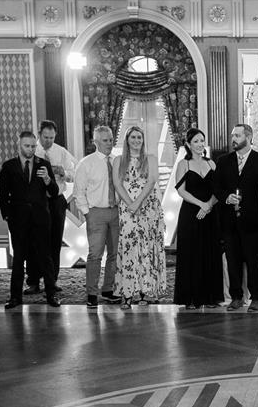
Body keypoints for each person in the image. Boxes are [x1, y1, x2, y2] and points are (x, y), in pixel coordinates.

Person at [0, 130, 69, 308]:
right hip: (18, 219)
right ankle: (15, 297)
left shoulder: (43, 164)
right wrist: (6, 215)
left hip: (41, 218)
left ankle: (51, 294)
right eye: (27, 146)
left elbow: (54, 192)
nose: (30, 149)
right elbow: (2, 194)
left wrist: (47, 180)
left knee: (45, 257)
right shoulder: (9, 166)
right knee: (18, 258)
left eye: (33, 146)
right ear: (19, 145)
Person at [214, 122, 258, 311]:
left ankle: (257, 297)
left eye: (237, 136)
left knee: (253, 261)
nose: (233, 139)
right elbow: (216, 186)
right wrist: (226, 197)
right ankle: (236, 297)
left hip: (252, 221)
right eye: (233, 135)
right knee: (232, 261)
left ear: (248, 137)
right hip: (229, 221)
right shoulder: (223, 161)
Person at [72, 123, 123, 308]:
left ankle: (108, 289)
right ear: (96, 142)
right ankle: (92, 293)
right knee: (95, 254)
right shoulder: (86, 164)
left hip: (116, 212)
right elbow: (79, 192)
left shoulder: (117, 161)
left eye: (111, 140)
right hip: (96, 213)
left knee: (114, 254)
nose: (109, 143)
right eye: (105, 140)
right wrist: (87, 213)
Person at [171, 127, 223, 310]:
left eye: (202, 140)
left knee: (210, 253)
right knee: (191, 254)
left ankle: (210, 297)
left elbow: (219, 190)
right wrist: (201, 204)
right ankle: (191, 298)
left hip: (210, 214)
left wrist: (208, 205)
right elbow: (181, 190)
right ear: (188, 144)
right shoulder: (183, 164)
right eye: (196, 141)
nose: (200, 144)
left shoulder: (212, 164)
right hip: (190, 215)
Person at [115, 124, 165, 305]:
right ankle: (128, 293)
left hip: (148, 208)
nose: (136, 140)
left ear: (143, 140)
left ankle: (146, 291)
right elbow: (117, 184)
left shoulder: (150, 159)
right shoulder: (119, 160)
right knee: (129, 247)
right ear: (127, 140)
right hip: (127, 209)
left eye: (139, 137)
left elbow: (151, 181)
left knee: (147, 248)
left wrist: (138, 203)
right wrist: (131, 204)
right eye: (133, 137)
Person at [29, 120, 76, 296]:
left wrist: (63, 172)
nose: (48, 141)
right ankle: (33, 281)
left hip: (56, 200)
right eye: (45, 137)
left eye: (52, 137)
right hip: (36, 201)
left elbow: (74, 174)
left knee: (55, 241)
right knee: (34, 241)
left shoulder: (61, 152)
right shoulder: (32, 150)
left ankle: (52, 280)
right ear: (39, 134)